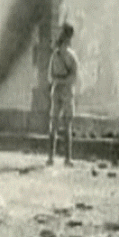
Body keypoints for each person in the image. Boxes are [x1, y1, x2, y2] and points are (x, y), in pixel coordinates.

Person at [48, 23, 79, 166]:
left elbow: (51, 77)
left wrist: (58, 80)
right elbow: (73, 78)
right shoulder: (71, 56)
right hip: (65, 91)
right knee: (66, 125)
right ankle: (66, 158)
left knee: (55, 124)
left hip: (57, 90)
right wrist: (64, 80)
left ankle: (52, 158)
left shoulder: (55, 55)